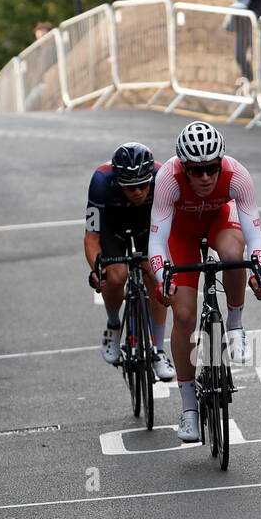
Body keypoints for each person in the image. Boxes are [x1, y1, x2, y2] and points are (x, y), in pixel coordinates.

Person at [148, 122, 261, 442]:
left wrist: (258, 272)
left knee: (232, 252)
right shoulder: (167, 180)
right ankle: (189, 410)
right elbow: (156, 243)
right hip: (181, 232)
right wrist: (163, 279)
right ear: (184, 168)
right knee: (185, 315)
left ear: (220, 163)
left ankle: (235, 324)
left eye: (211, 169)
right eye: (197, 170)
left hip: (219, 221)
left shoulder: (237, 175)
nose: (205, 177)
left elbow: (254, 234)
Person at [83, 142, 175, 382]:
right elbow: (91, 237)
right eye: (130, 187)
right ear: (118, 182)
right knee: (115, 276)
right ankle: (114, 327)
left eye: (143, 185)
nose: (137, 192)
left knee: (156, 277)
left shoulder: (162, 176)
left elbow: (171, 231)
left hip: (146, 223)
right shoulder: (101, 181)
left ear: (150, 178)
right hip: (112, 225)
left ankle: (158, 350)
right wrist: (97, 269)